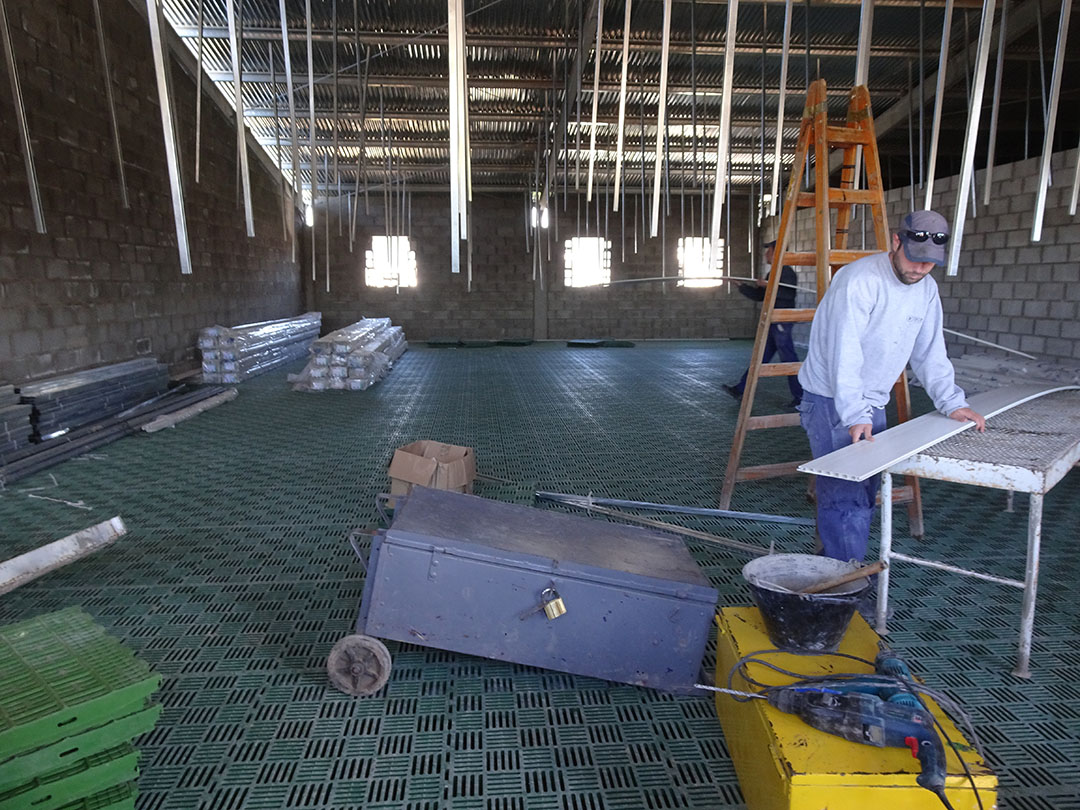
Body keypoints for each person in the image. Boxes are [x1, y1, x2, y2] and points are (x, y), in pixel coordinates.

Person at [797, 209, 986, 564]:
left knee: (863, 493)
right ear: (897, 242)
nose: (919, 269)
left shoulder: (926, 289)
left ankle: (834, 567)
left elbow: (931, 351)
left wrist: (952, 402)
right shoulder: (860, 281)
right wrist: (854, 414)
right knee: (846, 497)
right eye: (914, 260)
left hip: (871, 401)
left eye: (929, 264)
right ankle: (846, 584)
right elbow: (845, 352)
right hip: (832, 400)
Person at [724, 240, 804, 407]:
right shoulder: (773, 273)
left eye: (769, 251)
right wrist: (740, 286)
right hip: (772, 321)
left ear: (777, 252)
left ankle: (802, 398)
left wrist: (768, 285)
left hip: (781, 320)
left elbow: (787, 294)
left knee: (789, 359)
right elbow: (760, 295)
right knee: (761, 357)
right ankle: (741, 389)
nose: (766, 254)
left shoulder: (786, 271)